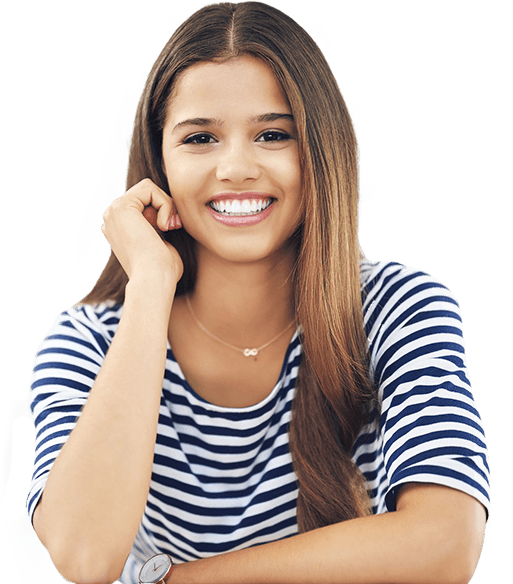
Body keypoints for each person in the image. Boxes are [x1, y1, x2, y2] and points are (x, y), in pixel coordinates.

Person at [26, 2, 490, 583]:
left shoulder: (397, 310)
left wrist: (177, 580)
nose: (236, 168)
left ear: (320, 151)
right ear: (159, 163)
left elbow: (445, 545)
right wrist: (148, 282)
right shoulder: (87, 341)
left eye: (273, 134)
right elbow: (84, 558)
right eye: (200, 138)